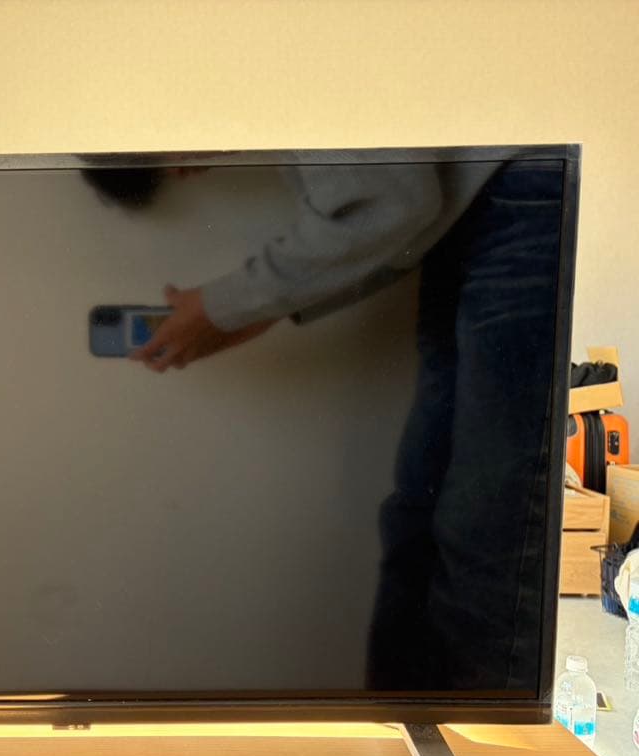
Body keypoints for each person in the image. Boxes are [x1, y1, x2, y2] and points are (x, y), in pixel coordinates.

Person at [81, 154, 562, 690]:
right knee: (419, 523)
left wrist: (227, 305)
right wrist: (252, 311)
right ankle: (396, 733)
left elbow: (388, 202)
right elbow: (394, 206)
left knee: (485, 533)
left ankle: (482, 742)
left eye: (160, 158)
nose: (178, 174)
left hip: (513, 200)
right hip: (469, 214)